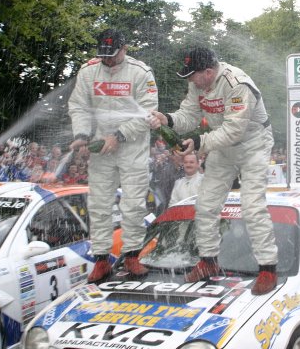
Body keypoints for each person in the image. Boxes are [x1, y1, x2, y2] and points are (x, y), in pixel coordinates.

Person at [148, 47, 278, 295]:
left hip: (253, 145)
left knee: (251, 207)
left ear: (208, 72)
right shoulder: (197, 84)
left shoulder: (238, 84)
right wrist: (166, 119)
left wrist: (198, 144)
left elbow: (234, 131)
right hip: (222, 147)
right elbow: (189, 115)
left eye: (192, 75)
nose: (189, 80)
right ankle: (208, 261)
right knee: (206, 204)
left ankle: (268, 268)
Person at [68, 28, 158, 282]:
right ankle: (101, 259)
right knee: (98, 204)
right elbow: (78, 106)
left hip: (133, 146)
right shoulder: (88, 71)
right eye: (104, 55)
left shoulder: (141, 73)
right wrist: (83, 135)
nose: (108, 60)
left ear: (124, 49)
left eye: (113, 55)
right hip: (101, 147)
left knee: (132, 204)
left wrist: (118, 136)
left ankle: (131, 256)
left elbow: (148, 114)